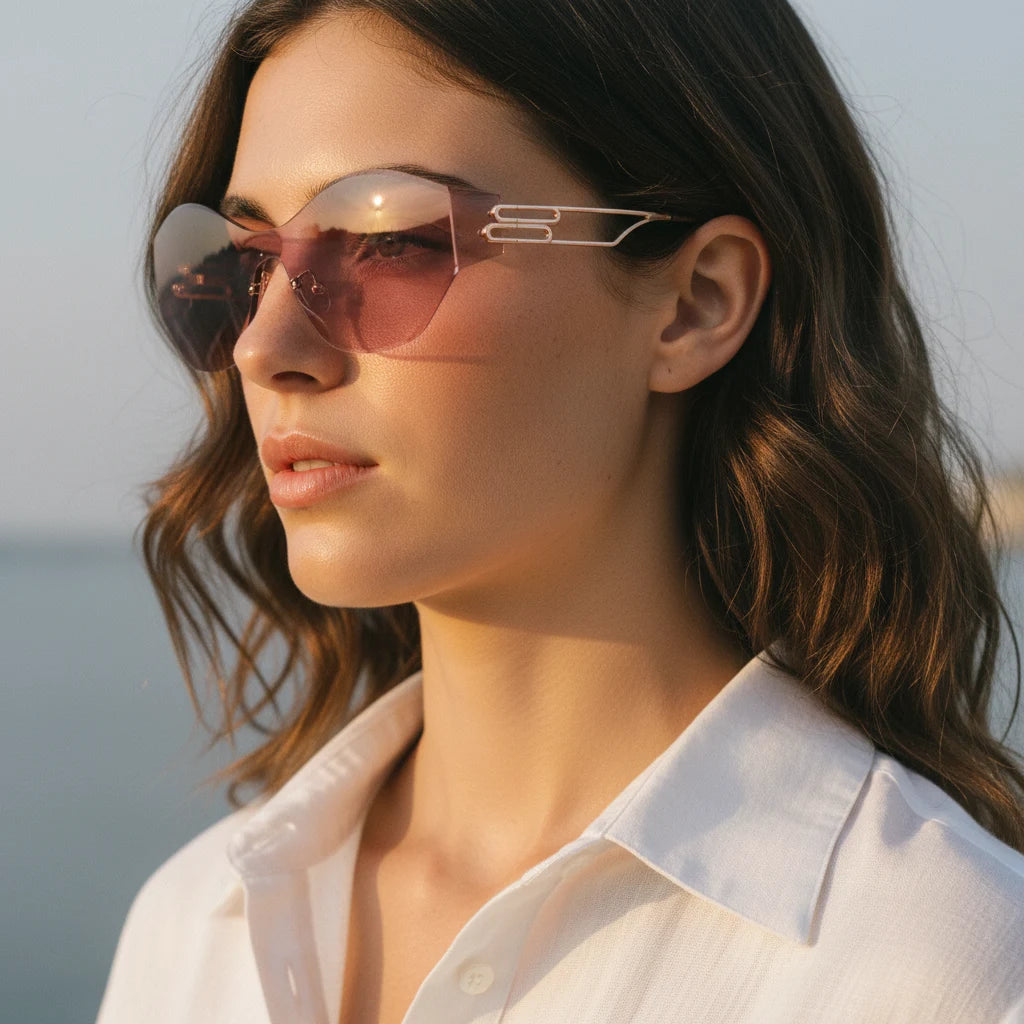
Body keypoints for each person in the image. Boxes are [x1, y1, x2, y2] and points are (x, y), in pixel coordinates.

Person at [97, 1, 1024, 1021]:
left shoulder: (943, 963)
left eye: (386, 242)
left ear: (697, 302)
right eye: (245, 263)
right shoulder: (196, 928)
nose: (263, 346)